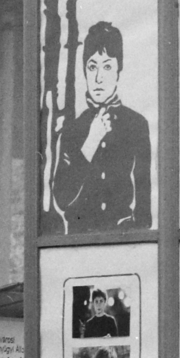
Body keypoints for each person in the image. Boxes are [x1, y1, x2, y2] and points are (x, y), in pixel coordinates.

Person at [53, 21, 152, 231]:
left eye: (107, 66)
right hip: (80, 242)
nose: (98, 77)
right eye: (92, 66)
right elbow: (63, 198)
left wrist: (138, 236)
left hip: (125, 239)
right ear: (85, 71)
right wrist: (91, 140)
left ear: (118, 70)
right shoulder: (73, 129)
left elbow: (144, 193)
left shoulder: (136, 124)